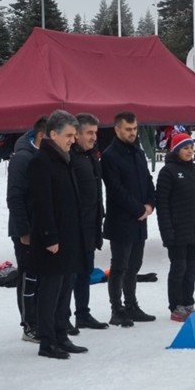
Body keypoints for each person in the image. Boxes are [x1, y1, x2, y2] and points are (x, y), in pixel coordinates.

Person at [26, 110, 88, 360]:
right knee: (51, 290)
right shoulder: (41, 161)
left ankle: (61, 334)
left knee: (65, 288)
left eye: (74, 135)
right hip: (52, 239)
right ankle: (47, 340)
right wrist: (50, 236)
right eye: (69, 135)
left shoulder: (65, 158)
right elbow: (41, 204)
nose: (73, 139)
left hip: (69, 235)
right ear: (53, 134)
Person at [102, 111, 157, 326]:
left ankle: (132, 305)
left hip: (140, 219)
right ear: (117, 129)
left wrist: (151, 204)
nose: (132, 133)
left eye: (134, 129)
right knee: (120, 266)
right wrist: (138, 209)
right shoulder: (109, 155)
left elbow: (147, 180)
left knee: (135, 265)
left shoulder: (138, 152)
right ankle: (117, 309)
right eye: (128, 129)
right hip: (121, 220)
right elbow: (116, 189)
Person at [155, 132, 195, 321]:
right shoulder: (168, 171)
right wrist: (167, 232)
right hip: (177, 231)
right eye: (185, 148)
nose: (190, 151)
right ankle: (176, 306)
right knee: (179, 268)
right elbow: (162, 204)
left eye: (191, 147)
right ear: (176, 150)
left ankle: (188, 302)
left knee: (192, 268)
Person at [7, 115, 47, 342]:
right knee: (29, 277)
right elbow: (14, 197)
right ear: (42, 136)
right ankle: (29, 324)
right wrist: (23, 231)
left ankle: (42, 318)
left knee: (42, 277)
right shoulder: (23, 158)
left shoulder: (45, 155)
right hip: (26, 230)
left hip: (44, 228)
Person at [70, 113, 108, 331]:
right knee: (70, 275)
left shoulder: (91, 155)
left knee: (85, 271)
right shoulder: (70, 158)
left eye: (96, 132)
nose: (94, 137)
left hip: (91, 224)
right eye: (89, 133)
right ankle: (63, 316)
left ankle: (83, 313)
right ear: (76, 134)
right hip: (75, 226)